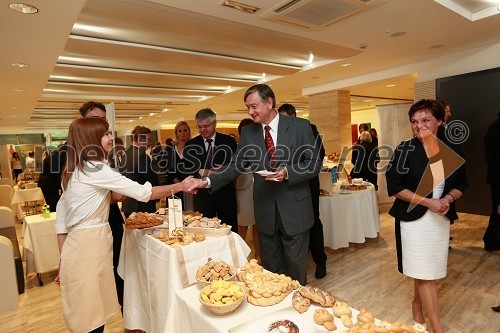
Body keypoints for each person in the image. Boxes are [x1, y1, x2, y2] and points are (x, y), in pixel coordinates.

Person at [55, 117, 193, 333]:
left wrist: (63, 260)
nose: (112, 138)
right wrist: (183, 186)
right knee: (89, 318)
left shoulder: (74, 170)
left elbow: (63, 221)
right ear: (92, 138)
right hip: (88, 249)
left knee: (89, 314)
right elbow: (143, 192)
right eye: (107, 134)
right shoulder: (95, 168)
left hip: (78, 248)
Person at [190, 84, 322, 285]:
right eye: (247, 107)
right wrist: (207, 181)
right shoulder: (249, 133)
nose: (250, 112)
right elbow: (235, 165)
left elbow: (313, 163)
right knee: (270, 271)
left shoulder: (300, 127)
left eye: (254, 106)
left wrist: (288, 172)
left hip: (295, 210)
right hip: (265, 210)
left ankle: (295, 311)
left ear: (269, 102)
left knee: (296, 271)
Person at [386, 99, 468, 333]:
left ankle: (416, 305)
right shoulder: (404, 150)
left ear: (440, 121)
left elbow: (463, 183)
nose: (418, 125)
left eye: (425, 120)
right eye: (414, 121)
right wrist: (427, 201)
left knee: (426, 269)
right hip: (413, 220)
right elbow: (395, 187)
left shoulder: (453, 150)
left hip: (439, 219)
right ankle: (437, 327)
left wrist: (447, 200)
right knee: (426, 275)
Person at [277, 103, 327, 279]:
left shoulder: (308, 128)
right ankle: (297, 262)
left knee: (312, 221)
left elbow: (318, 156)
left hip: (307, 183)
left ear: (293, 116)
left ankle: (320, 262)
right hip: (283, 185)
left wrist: (292, 169)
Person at [38, 101, 107, 212]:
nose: (99, 124)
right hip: (77, 220)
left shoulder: (104, 151)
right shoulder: (58, 157)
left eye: (103, 120)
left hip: (109, 218)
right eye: (94, 118)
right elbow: (50, 192)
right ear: (80, 120)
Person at [183, 108, 238, 232]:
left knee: (230, 230)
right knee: (204, 231)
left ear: (214, 124)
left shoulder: (228, 142)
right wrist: (199, 170)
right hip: (202, 196)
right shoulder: (191, 145)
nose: (203, 130)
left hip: (225, 194)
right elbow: (186, 168)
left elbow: (236, 166)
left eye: (206, 126)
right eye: (199, 127)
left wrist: (222, 170)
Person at [234, 118, 261, 262]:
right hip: (243, 190)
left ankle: (259, 256)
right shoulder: (236, 148)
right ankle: (240, 258)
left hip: (259, 190)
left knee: (258, 226)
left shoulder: (261, 146)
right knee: (242, 226)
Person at [120, 126, 160, 217]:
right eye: (148, 140)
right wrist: (158, 195)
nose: (150, 143)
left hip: (129, 203)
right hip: (141, 205)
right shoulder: (141, 156)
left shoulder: (126, 154)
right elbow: (150, 179)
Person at [484, 109, 500, 252]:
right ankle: (491, 240)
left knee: (496, 210)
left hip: (495, 176)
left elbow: (488, 155)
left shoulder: (493, 126)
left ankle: (491, 240)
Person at [167, 121, 192, 209]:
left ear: (189, 132)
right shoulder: (170, 148)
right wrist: (180, 185)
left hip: (191, 185)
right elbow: (169, 169)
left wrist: (188, 185)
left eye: (185, 130)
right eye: (180, 131)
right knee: (176, 213)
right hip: (174, 185)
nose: (183, 133)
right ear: (176, 133)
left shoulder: (194, 146)